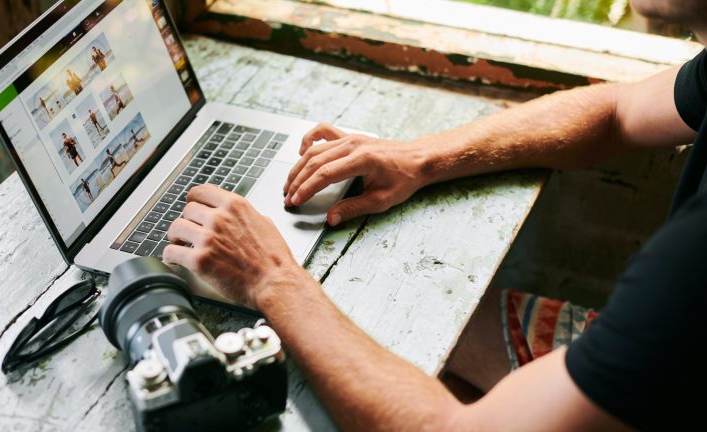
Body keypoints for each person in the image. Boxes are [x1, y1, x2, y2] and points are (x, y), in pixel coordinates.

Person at [162, 1, 707, 429]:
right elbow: (617, 110)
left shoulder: (690, 263)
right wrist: (419, 157)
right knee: (424, 332)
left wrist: (270, 278)